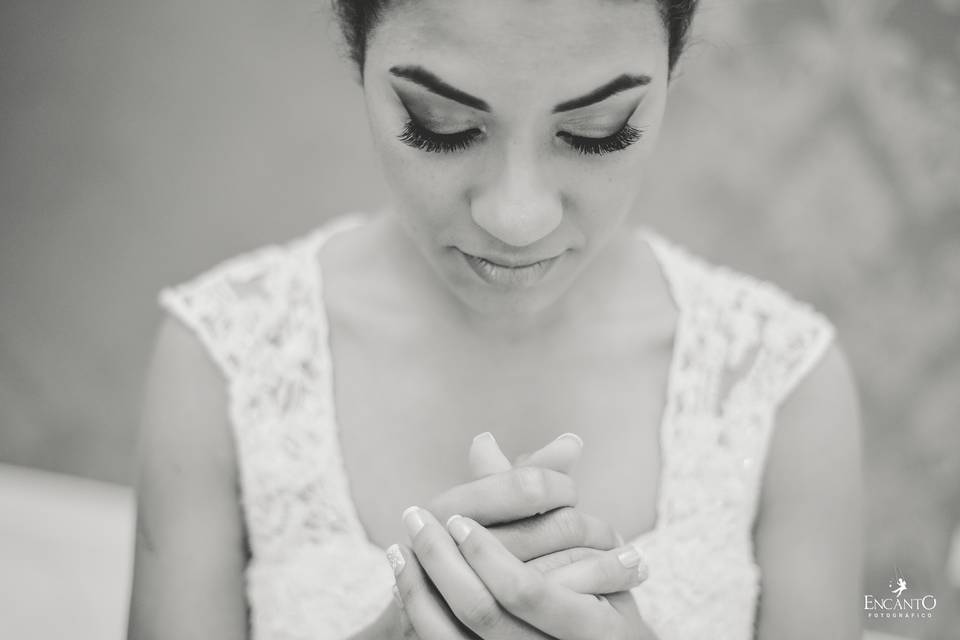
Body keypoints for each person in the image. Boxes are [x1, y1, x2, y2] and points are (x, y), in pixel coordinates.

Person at [126, 0, 864, 638]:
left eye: (598, 131)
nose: (517, 218)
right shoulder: (223, 359)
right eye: (440, 125)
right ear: (358, 56)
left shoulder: (782, 385)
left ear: (671, 74)